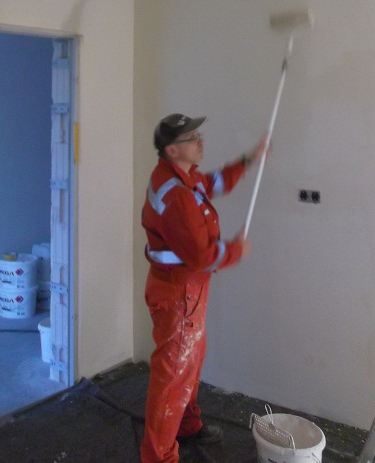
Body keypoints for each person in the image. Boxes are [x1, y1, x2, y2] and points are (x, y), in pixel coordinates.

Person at [140, 113, 269, 462]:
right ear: (171, 149)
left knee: (190, 362)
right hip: (179, 294)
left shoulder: (181, 177)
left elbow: (213, 183)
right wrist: (237, 250)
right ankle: (158, 457)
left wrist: (248, 160)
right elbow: (202, 256)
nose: (201, 142)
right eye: (192, 138)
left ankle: (186, 425)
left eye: (199, 134)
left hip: (187, 292)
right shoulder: (176, 194)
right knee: (173, 378)